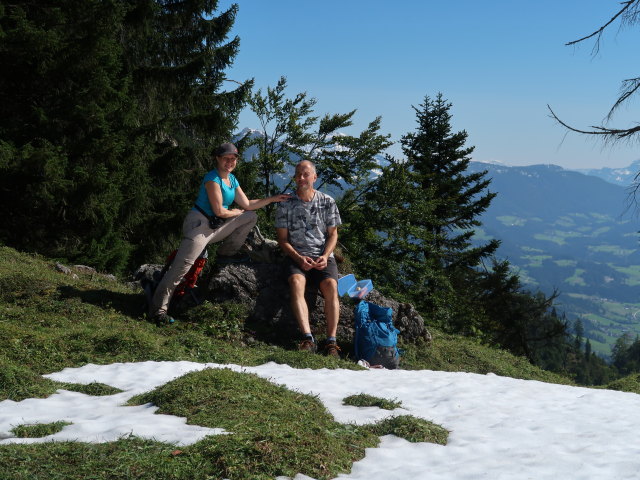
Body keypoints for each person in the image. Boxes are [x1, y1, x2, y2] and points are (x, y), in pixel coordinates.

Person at [149, 142, 289, 325]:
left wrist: (273, 199)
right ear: (217, 159)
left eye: (233, 158)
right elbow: (219, 211)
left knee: (250, 216)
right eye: (226, 158)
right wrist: (236, 212)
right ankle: (157, 311)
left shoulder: (232, 179)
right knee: (180, 269)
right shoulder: (212, 179)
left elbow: (247, 205)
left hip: (216, 226)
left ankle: (227, 254)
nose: (230, 162)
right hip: (199, 225)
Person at [275, 160, 342, 357]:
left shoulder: (327, 202)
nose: (301, 178)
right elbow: (282, 239)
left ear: (315, 177)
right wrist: (298, 258)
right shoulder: (285, 203)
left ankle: (331, 341)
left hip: (322, 256)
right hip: (296, 256)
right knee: (296, 282)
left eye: (306, 174)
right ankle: (307, 337)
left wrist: (325, 255)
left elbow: (333, 234)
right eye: (298, 174)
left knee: (331, 286)